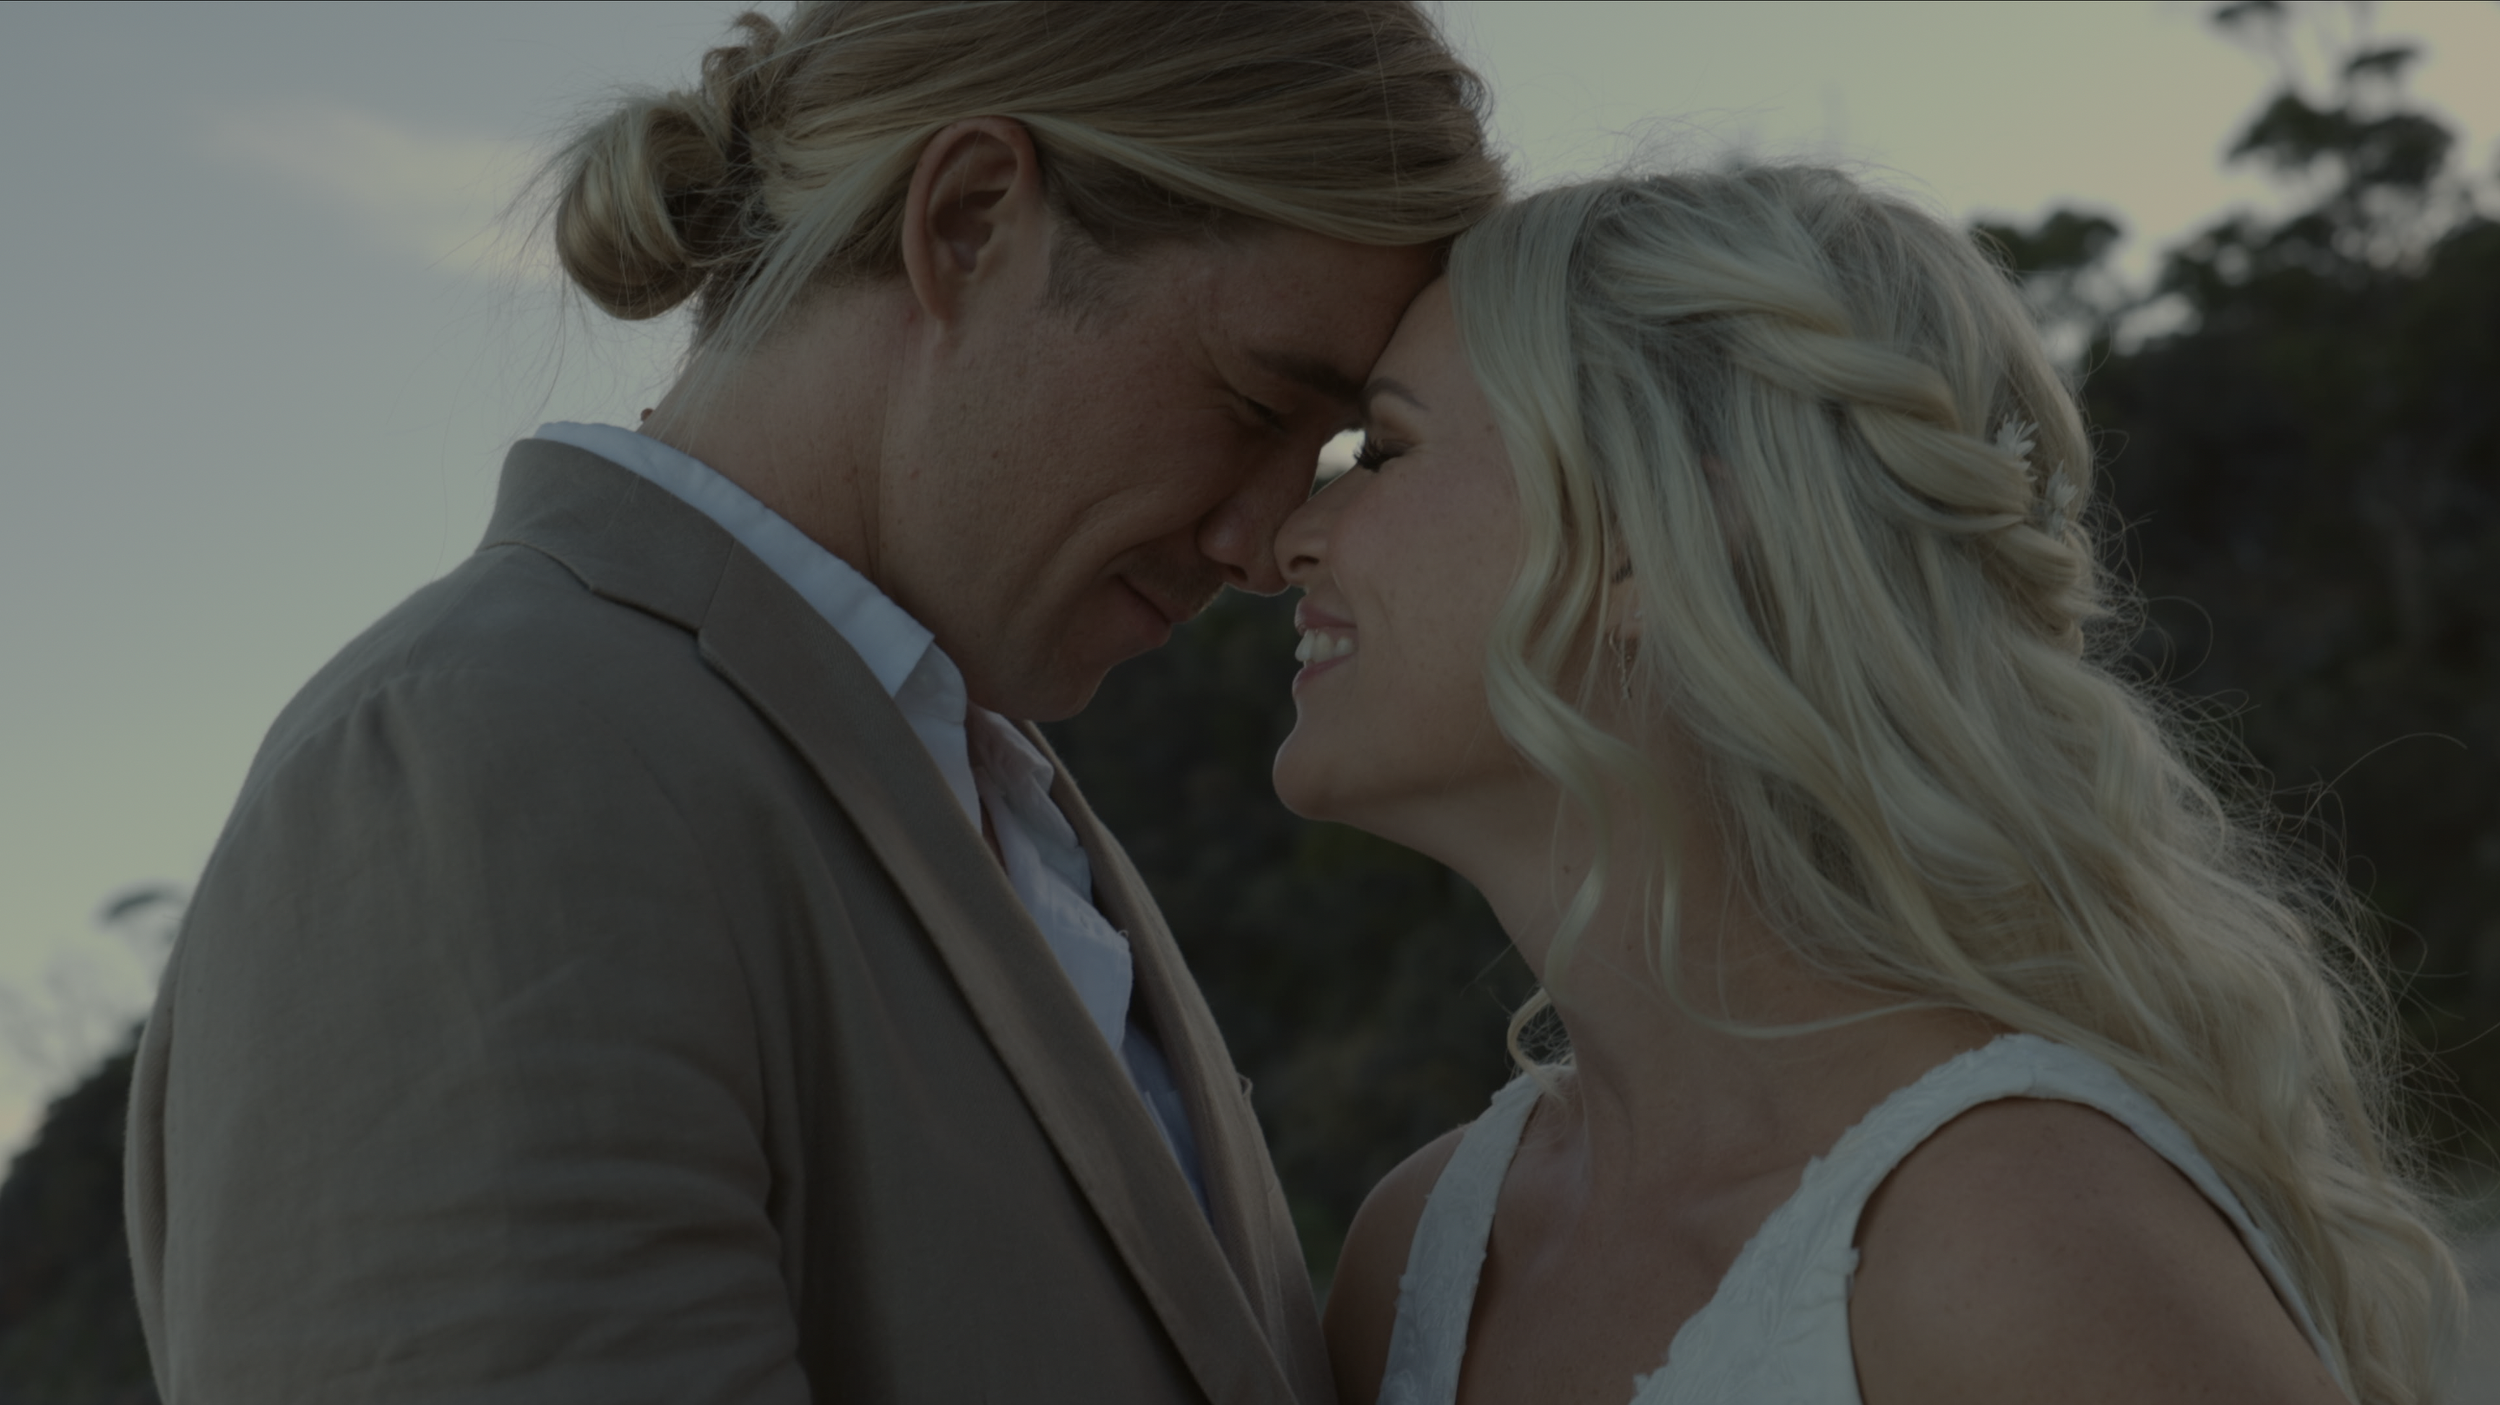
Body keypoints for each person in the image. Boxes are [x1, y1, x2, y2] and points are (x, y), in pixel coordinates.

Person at [122, 4, 1500, 1401]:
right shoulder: (478, 761)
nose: (1267, 543)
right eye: (1255, 401)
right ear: (969, 222)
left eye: (1325, 447)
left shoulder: (990, 800)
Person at [1279, 166, 2462, 1405]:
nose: (1288, 537)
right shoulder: (1418, 1252)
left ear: (1640, 536)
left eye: (1382, 449)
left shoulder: (2014, 1248)